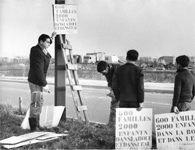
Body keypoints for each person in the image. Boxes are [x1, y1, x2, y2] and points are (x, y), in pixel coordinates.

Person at [28, 32, 56, 131]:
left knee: (39, 102)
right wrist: (45, 84)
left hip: (38, 80)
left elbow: (47, 45)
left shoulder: (41, 49)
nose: (49, 44)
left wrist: (52, 37)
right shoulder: (37, 52)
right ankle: (33, 128)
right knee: (36, 103)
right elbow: (38, 70)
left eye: (50, 42)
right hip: (36, 81)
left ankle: (37, 124)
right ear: (41, 42)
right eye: (48, 42)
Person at [97, 61, 120, 126]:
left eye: (103, 72)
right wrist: (111, 91)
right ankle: (111, 125)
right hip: (117, 89)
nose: (102, 74)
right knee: (114, 106)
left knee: (122, 108)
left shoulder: (118, 69)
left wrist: (116, 92)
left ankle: (118, 126)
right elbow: (110, 82)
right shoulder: (107, 72)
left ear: (107, 68)